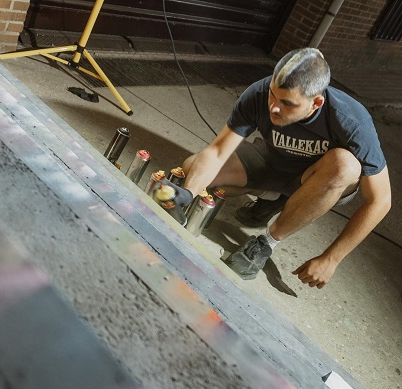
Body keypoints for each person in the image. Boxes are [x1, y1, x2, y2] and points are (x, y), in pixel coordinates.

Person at [164, 47, 391, 288]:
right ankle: (272, 196)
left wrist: (331, 258)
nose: (273, 107)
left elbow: (380, 200)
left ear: (316, 103)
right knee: (191, 170)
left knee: (346, 166)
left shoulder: (351, 119)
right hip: (270, 161)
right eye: (273, 95)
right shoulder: (259, 93)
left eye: (287, 103)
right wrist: (188, 193)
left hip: (314, 179)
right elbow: (218, 151)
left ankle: (266, 243)